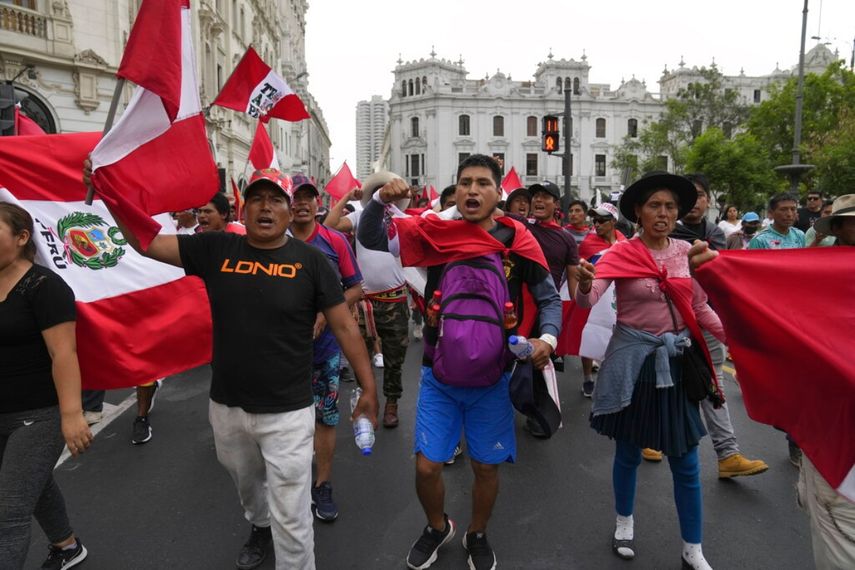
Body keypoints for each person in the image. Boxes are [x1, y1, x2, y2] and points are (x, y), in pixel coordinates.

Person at [84, 164, 378, 570]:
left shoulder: (312, 262)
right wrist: (107, 194)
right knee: (247, 485)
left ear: (289, 211)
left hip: (290, 411)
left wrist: (369, 389)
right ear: (244, 209)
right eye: (257, 198)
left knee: (292, 513)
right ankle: (258, 524)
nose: (266, 207)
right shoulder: (217, 248)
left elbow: (345, 325)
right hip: (227, 407)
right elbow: (145, 243)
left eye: (276, 200)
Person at [358, 156, 562, 570]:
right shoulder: (435, 232)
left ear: (496, 193)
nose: (473, 190)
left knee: (486, 466)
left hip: (493, 378)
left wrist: (548, 339)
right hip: (438, 374)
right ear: (456, 190)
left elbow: (549, 298)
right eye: (465, 182)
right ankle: (438, 526)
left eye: (483, 183)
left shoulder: (517, 239)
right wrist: (379, 201)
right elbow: (372, 237)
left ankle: (478, 533)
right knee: (428, 465)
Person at [689, 193, 855, 570]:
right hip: (833, 439)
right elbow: (769, 305)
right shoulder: (814, 275)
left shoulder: (818, 275)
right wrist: (724, 274)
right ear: (840, 230)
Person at [576, 171, 724, 570]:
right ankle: (624, 523)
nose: (663, 213)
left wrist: (736, 337)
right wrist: (582, 282)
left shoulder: (687, 252)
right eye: (654, 206)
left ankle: (692, 547)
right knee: (628, 452)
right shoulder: (618, 254)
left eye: (670, 206)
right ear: (638, 212)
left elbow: (699, 307)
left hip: (676, 365)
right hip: (633, 364)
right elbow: (588, 301)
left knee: (686, 460)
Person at [0, 202, 93, 570]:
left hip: (38, 416)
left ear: (22, 238)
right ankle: (67, 546)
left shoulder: (45, 287)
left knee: (8, 513)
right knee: (30, 486)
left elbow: (64, 355)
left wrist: (71, 416)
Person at [665, 174, 768, 478]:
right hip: (669, 324)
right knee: (667, 382)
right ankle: (653, 437)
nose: (695, 202)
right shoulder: (665, 234)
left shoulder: (717, 234)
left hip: (708, 318)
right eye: (689, 196)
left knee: (714, 384)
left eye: (701, 195)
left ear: (709, 200)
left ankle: (728, 453)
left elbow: (722, 277)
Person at [288, 174, 364, 522]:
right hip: (280, 354)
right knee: (284, 422)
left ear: (318, 203)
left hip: (325, 351)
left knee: (325, 418)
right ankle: (290, 484)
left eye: (308, 197)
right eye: (294, 197)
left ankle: (323, 484)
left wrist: (325, 313)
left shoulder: (334, 240)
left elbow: (356, 287)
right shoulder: (271, 241)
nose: (301, 203)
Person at [324, 176, 412, 429]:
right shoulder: (360, 215)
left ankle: (392, 403)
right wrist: (345, 198)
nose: (386, 193)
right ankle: (368, 402)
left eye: (389, 190)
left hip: (395, 300)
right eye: (380, 190)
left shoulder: (401, 219)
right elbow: (328, 226)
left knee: (395, 358)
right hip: (362, 302)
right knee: (359, 357)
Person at [575, 202, 626, 397]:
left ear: (613, 222)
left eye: (601, 220)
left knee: (616, 337)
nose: (597, 224)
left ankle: (610, 377)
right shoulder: (589, 244)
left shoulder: (625, 244)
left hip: (616, 297)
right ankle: (588, 378)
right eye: (594, 220)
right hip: (593, 296)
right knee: (589, 335)